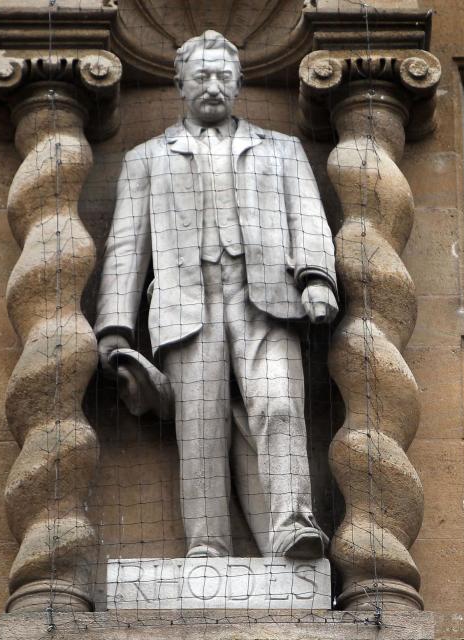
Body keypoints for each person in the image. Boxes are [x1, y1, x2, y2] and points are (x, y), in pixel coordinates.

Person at [95, 30, 338, 560]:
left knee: (278, 404)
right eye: (201, 76)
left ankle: (293, 522)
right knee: (200, 429)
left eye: (223, 76)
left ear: (240, 83)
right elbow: (124, 247)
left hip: (268, 299)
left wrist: (318, 277)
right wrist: (114, 328)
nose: (212, 85)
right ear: (179, 85)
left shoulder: (282, 149)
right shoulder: (147, 158)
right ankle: (207, 546)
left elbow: (310, 221)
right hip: (187, 303)